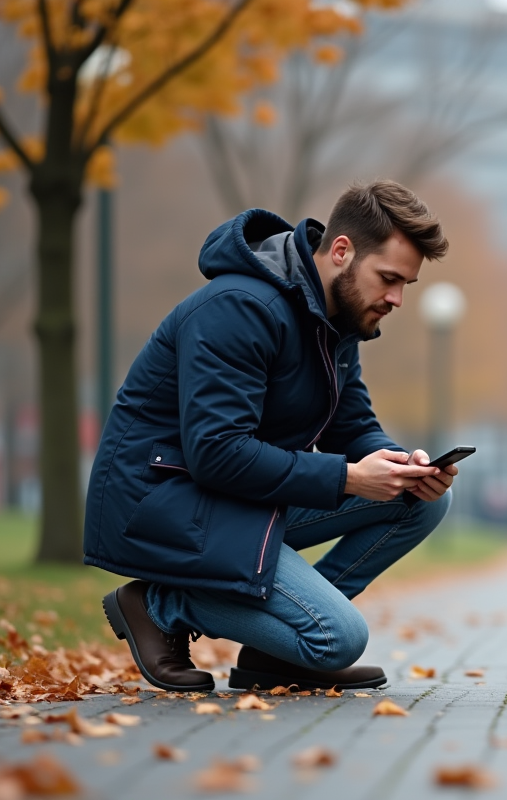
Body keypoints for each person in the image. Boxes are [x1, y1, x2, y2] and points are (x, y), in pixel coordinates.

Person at [84, 180, 458, 693]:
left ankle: (273, 651)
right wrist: (349, 478)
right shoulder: (238, 308)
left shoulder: (338, 320)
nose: (395, 299)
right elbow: (216, 453)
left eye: (405, 286)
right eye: (388, 278)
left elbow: (353, 427)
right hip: (167, 499)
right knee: (338, 641)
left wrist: (401, 466)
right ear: (342, 252)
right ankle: (157, 604)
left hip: (235, 498)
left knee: (422, 501)